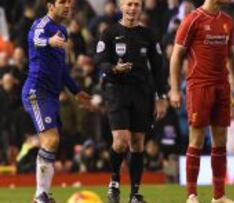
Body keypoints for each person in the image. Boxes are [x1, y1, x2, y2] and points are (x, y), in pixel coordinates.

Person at [169, 0, 234, 202]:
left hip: (222, 86)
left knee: (221, 141)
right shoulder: (193, 19)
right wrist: (175, 89)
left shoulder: (228, 21)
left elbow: (231, 54)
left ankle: (219, 196)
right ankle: (192, 195)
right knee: (197, 139)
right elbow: (176, 55)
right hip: (199, 86)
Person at [94, 0, 168, 202]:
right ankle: (114, 181)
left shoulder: (149, 35)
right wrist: (114, 69)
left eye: (136, 4)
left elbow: (159, 69)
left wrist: (162, 97)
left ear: (141, 8)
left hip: (142, 92)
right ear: (121, 6)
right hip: (116, 91)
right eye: (129, 4)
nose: (132, 8)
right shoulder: (109, 33)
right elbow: (100, 61)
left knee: (137, 143)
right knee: (120, 141)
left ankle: (135, 193)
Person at [21, 0, 93, 202]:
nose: (68, 5)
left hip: (51, 95)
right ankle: (40, 195)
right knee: (51, 140)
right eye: (62, 2)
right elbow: (34, 39)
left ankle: (43, 195)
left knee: (51, 144)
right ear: (50, 5)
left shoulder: (62, 30)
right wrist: (48, 42)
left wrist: (77, 91)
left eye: (70, 2)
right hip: (36, 91)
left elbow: (61, 70)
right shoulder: (41, 25)